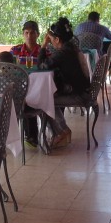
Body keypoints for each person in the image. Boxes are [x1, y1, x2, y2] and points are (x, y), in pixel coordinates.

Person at [38, 17, 91, 149]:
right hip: (83, 90)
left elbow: (42, 66)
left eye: (51, 39)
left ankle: (61, 132)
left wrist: (43, 46)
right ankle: (62, 130)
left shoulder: (63, 52)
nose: (50, 42)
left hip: (80, 94)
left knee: (45, 102)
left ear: (56, 39)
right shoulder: (70, 47)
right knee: (50, 97)